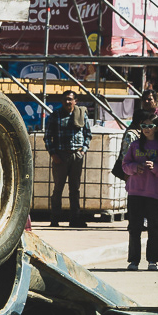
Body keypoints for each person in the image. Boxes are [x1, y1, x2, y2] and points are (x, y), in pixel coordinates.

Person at [121, 120, 158, 270]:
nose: (146, 129)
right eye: (143, 126)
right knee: (134, 227)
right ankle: (134, 260)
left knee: (155, 227)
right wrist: (135, 167)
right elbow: (125, 165)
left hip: (153, 192)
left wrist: (156, 168)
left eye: (150, 126)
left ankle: (153, 259)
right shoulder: (135, 145)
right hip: (135, 191)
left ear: (157, 128)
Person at [44, 90, 92, 227]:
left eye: (70, 99)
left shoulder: (81, 115)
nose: (67, 102)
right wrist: (53, 154)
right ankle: (55, 219)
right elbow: (47, 137)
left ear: (75, 101)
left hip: (76, 155)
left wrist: (83, 150)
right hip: (60, 156)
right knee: (58, 188)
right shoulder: (55, 115)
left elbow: (88, 134)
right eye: (65, 99)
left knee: (75, 189)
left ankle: (75, 219)